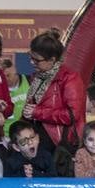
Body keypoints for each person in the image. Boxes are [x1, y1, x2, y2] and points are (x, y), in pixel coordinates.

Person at [21, 30, 85, 176]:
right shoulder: (38, 77)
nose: (32, 62)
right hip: (36, 140)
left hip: (59, 144)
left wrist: (37, 112)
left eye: (37, 60)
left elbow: (72, 115)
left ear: (52, 59)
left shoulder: (70, 78)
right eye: (30, 57)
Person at [0, 55, 31, 132]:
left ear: (15, 71)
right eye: (2, 77)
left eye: (8, 75)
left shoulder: (30, 81)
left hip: (27, 131)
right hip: (6, 133)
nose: (6, 79)